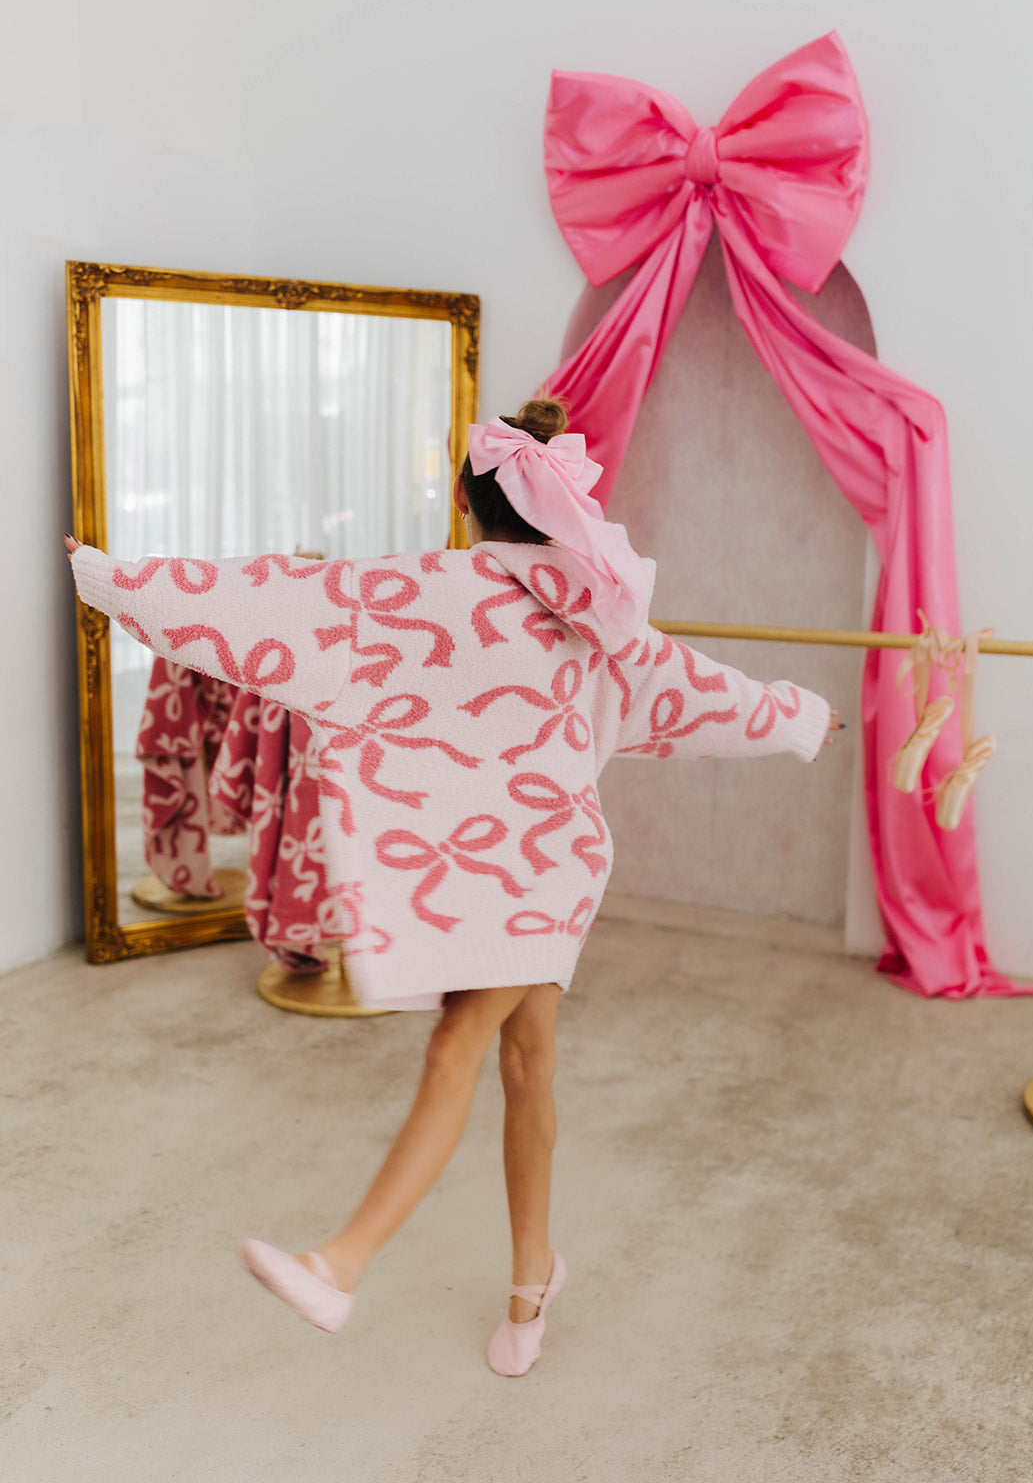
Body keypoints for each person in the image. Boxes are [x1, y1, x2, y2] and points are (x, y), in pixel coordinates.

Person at [65, 397, 843, 1376]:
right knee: (527, 1068)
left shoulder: (536, 600)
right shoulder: (557, 601)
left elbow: (282, 600)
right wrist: (803, 718)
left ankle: (338, 1264)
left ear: (470, 506)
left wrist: (117, 579)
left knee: (454, 1044)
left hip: (537, 871)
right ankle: (532, 1282)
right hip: (506, 861)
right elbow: (697, 686)